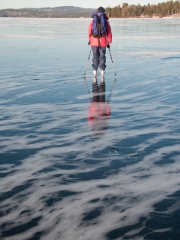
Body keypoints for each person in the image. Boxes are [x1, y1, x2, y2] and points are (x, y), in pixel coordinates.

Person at [88, 7, 112, 78]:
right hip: (103, 42)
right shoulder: (105, 21)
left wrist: (90, 40)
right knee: (102, 56)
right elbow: (109, 32)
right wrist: (109, 42)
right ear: (103, 12)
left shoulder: (93, 21)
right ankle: (102, 71)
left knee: (95, 56)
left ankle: (94, 71)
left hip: (94, 41)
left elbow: (89, 31)